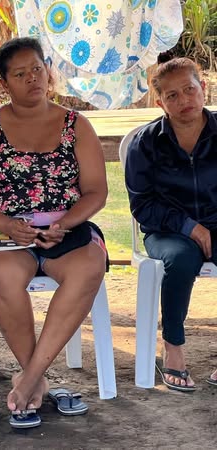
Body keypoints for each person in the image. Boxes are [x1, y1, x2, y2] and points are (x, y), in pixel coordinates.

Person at [0, 37, 108, 427]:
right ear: (4, 83)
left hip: (67, 228)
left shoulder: (76, 124)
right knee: (1, 273)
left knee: (90, 265)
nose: (32, 79)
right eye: (20, 74)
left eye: (37, 69)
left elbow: (96, 190)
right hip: (6, 230)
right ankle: (37, 380)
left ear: (48, 70)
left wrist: (64, 224)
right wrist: (7, 224)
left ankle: (28, 381)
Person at [125, 53, 217, 392]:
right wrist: (190, 226)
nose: (184, 100)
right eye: (172, 95)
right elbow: (142, 204)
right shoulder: (146, 143)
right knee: (180, 259)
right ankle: (173, 347)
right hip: (167, 230)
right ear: (160, 102)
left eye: (189, 89)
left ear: (203, 88)